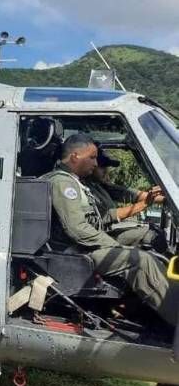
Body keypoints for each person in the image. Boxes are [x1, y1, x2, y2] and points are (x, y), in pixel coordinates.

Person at [43, 134, 177, 325]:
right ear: (75, 156)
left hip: (83, 248)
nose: (96, 163)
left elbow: (96, 219)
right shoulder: (63, 183)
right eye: (92, 158)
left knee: (145, 246)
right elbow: (77, 229)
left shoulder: (75, 182)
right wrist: (115, 247)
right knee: (140, 260)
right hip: (73, 255)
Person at [84, 148, 166, 252]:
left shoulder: (99, 185)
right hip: (98, 238)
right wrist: (145, 204)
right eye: (102, 166)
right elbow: (108, 215)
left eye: (107, 166)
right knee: (152, 236)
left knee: (155, 231)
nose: (106, 170)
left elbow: (131, 194)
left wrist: (164, 198)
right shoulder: (84, 188)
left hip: (105, 232)